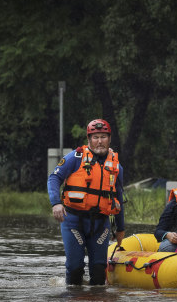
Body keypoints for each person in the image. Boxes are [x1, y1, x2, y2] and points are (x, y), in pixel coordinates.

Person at [47, 119, 125, 285]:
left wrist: (120, 229)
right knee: (75, 269)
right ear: (89, 139)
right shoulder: (75, 157)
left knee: (98, 273)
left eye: (103, 137)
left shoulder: (116, 166)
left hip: (100, 223)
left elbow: (118, 197)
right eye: (95, 137)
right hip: (73, 221)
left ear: (109, 139)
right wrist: (56, 203)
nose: (99, 141)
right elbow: (54, 177)